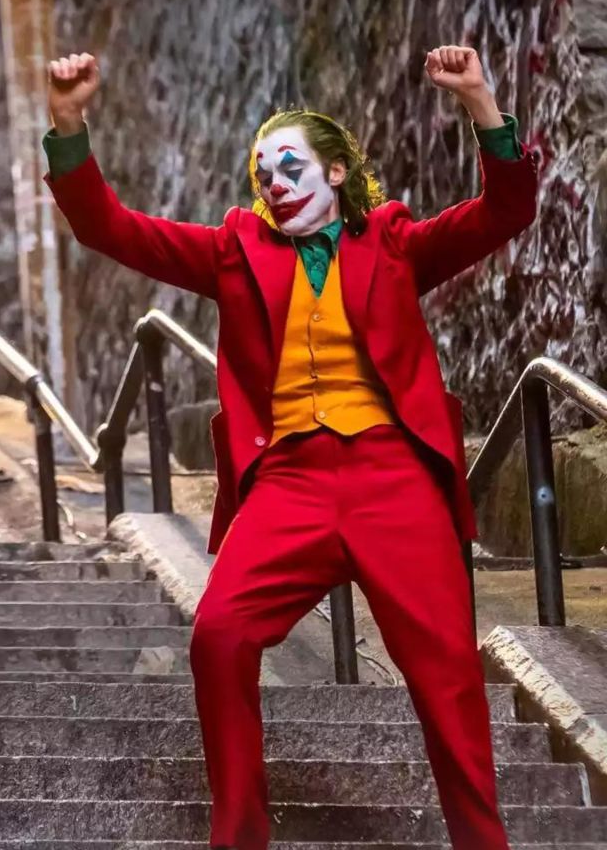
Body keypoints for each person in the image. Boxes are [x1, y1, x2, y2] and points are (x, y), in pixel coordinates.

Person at [43, 45, 538, 850]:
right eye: (262, 172)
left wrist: (481, 102)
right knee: (219, 635)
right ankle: (240, 838)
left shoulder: (394, 241)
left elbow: (504, 212)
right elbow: (112, 229)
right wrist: (69, 124)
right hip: (288, 483)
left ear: (336, 172)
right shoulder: (236, 250)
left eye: (291, 166)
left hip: (394, 476)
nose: (273, 182)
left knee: (448, 674)